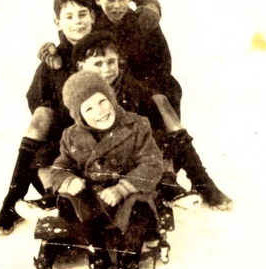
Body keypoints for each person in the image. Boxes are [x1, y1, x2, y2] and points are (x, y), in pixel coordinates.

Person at [72, 31, 232, 210]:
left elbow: (150, 129)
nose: (106, 69)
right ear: (81, 67)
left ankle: (194, 182)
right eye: (98, 64)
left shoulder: (132, 90)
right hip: (98, 158)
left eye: (111, 62)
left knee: (158, 139)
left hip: (134, 153)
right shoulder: (77, 92)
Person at [0, 0, 96, 235]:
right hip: (67, 140)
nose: (77, 22)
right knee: (41, 124)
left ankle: (66, 205)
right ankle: (14, 202)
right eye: (69, 17)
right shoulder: (52, 60)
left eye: (82, 15)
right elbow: (36, 101)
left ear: (92, 15)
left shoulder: (104, 52)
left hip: (101, 138)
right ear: (58, 22)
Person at [51, 70, 163, 269]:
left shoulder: (137, 125)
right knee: (68, 201)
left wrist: (122, 189)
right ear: (79, 115)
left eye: (103, 101)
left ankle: (128, 255)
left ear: (111, 98)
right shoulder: (71, 136)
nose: (100, 111)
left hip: (128, 192)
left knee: (138, 209)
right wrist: (68, 180)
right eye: (89, 108)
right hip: (94, 196)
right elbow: (58, 167)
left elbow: (152, 163)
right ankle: (97, 254)